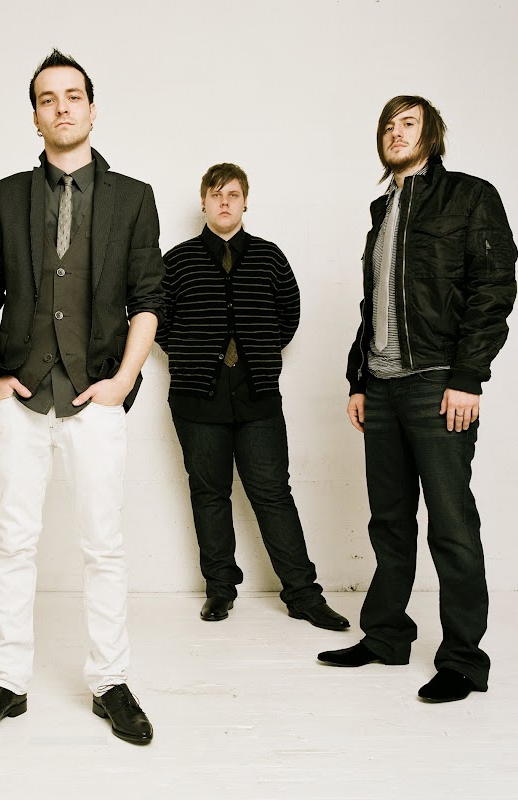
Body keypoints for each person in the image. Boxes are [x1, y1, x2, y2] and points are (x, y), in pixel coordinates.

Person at [0, 50, 165, 744]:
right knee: (12, 542)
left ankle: (110, 682)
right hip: (22, 398)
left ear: (92, 109)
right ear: (35, 116)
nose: (62, 107)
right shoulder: (5, 195)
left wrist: (123, 381)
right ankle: (7, 681)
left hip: (95, 396)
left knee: (104, 546)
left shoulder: (133, 197)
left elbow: (148, 299)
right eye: (48, 98)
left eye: (73, 96)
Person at [317, 96, 517, 702]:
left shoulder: (469, 196)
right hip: (382, 387)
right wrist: (359, 379)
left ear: (432, 136)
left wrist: (468, 376)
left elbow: (493, 288)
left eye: (408, 123)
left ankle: (463, 661)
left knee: (452, 525)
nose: (395, 132)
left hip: (437, 382)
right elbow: (374, 304)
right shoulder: (383, 210)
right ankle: (386, 636)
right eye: (388, 124)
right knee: (389, 521)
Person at [155, 163, 349, 631]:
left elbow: (288, 315)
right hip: (197, 397)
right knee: (209, 494)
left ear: (245, 202)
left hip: (257, 393)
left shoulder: (269, 257)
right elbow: (155, 320)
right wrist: (192, 354)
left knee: (273, 493)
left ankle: (303, 594)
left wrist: (256, 356)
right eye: (216, 195)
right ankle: (220, 589)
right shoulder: (176, 261)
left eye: (234, 195)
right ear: (203, 202)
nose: (224, 202)